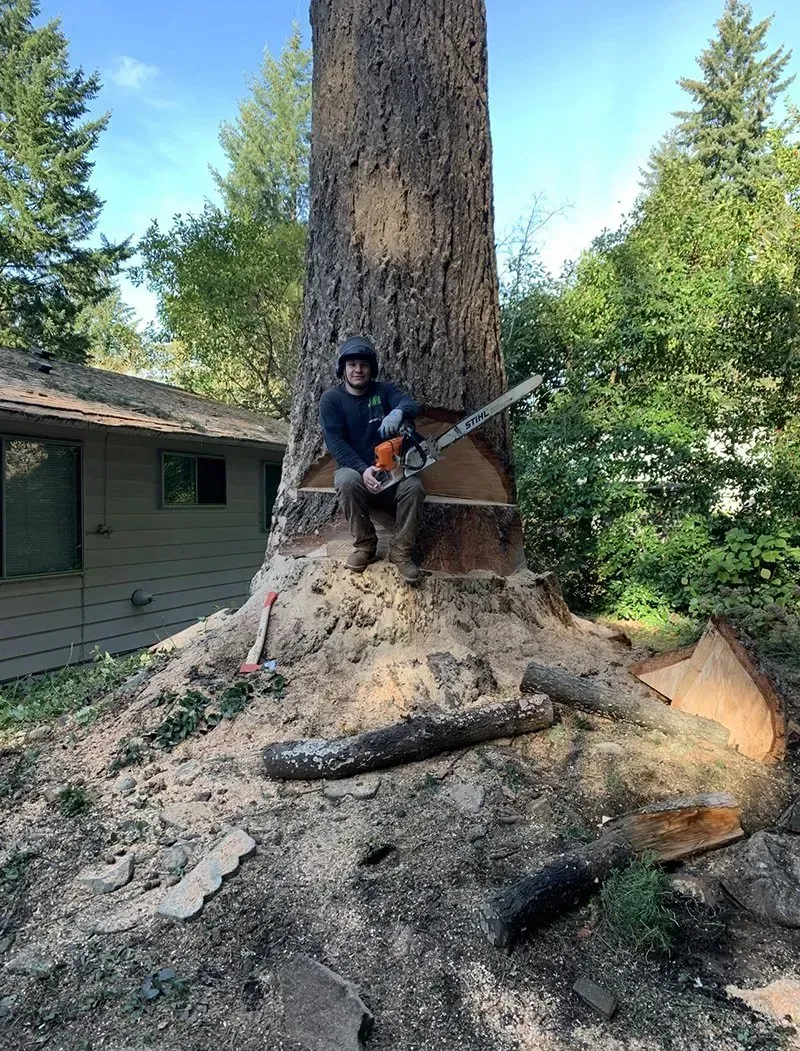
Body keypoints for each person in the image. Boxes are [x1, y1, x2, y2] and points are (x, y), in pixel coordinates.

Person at [319, 336, 425, 583]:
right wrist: (362, 468)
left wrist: (398, 412)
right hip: (357, 473)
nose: (358, 370)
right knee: (345, 480)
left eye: (364, 365)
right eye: (352, 364)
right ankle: (365, 546)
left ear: (371, 368)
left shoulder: (383, 392)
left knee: (415, 487)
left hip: (392, 472)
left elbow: (409, 403)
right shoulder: (332, 400)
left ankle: (401, 553)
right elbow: (335, 441)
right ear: (343, 368)